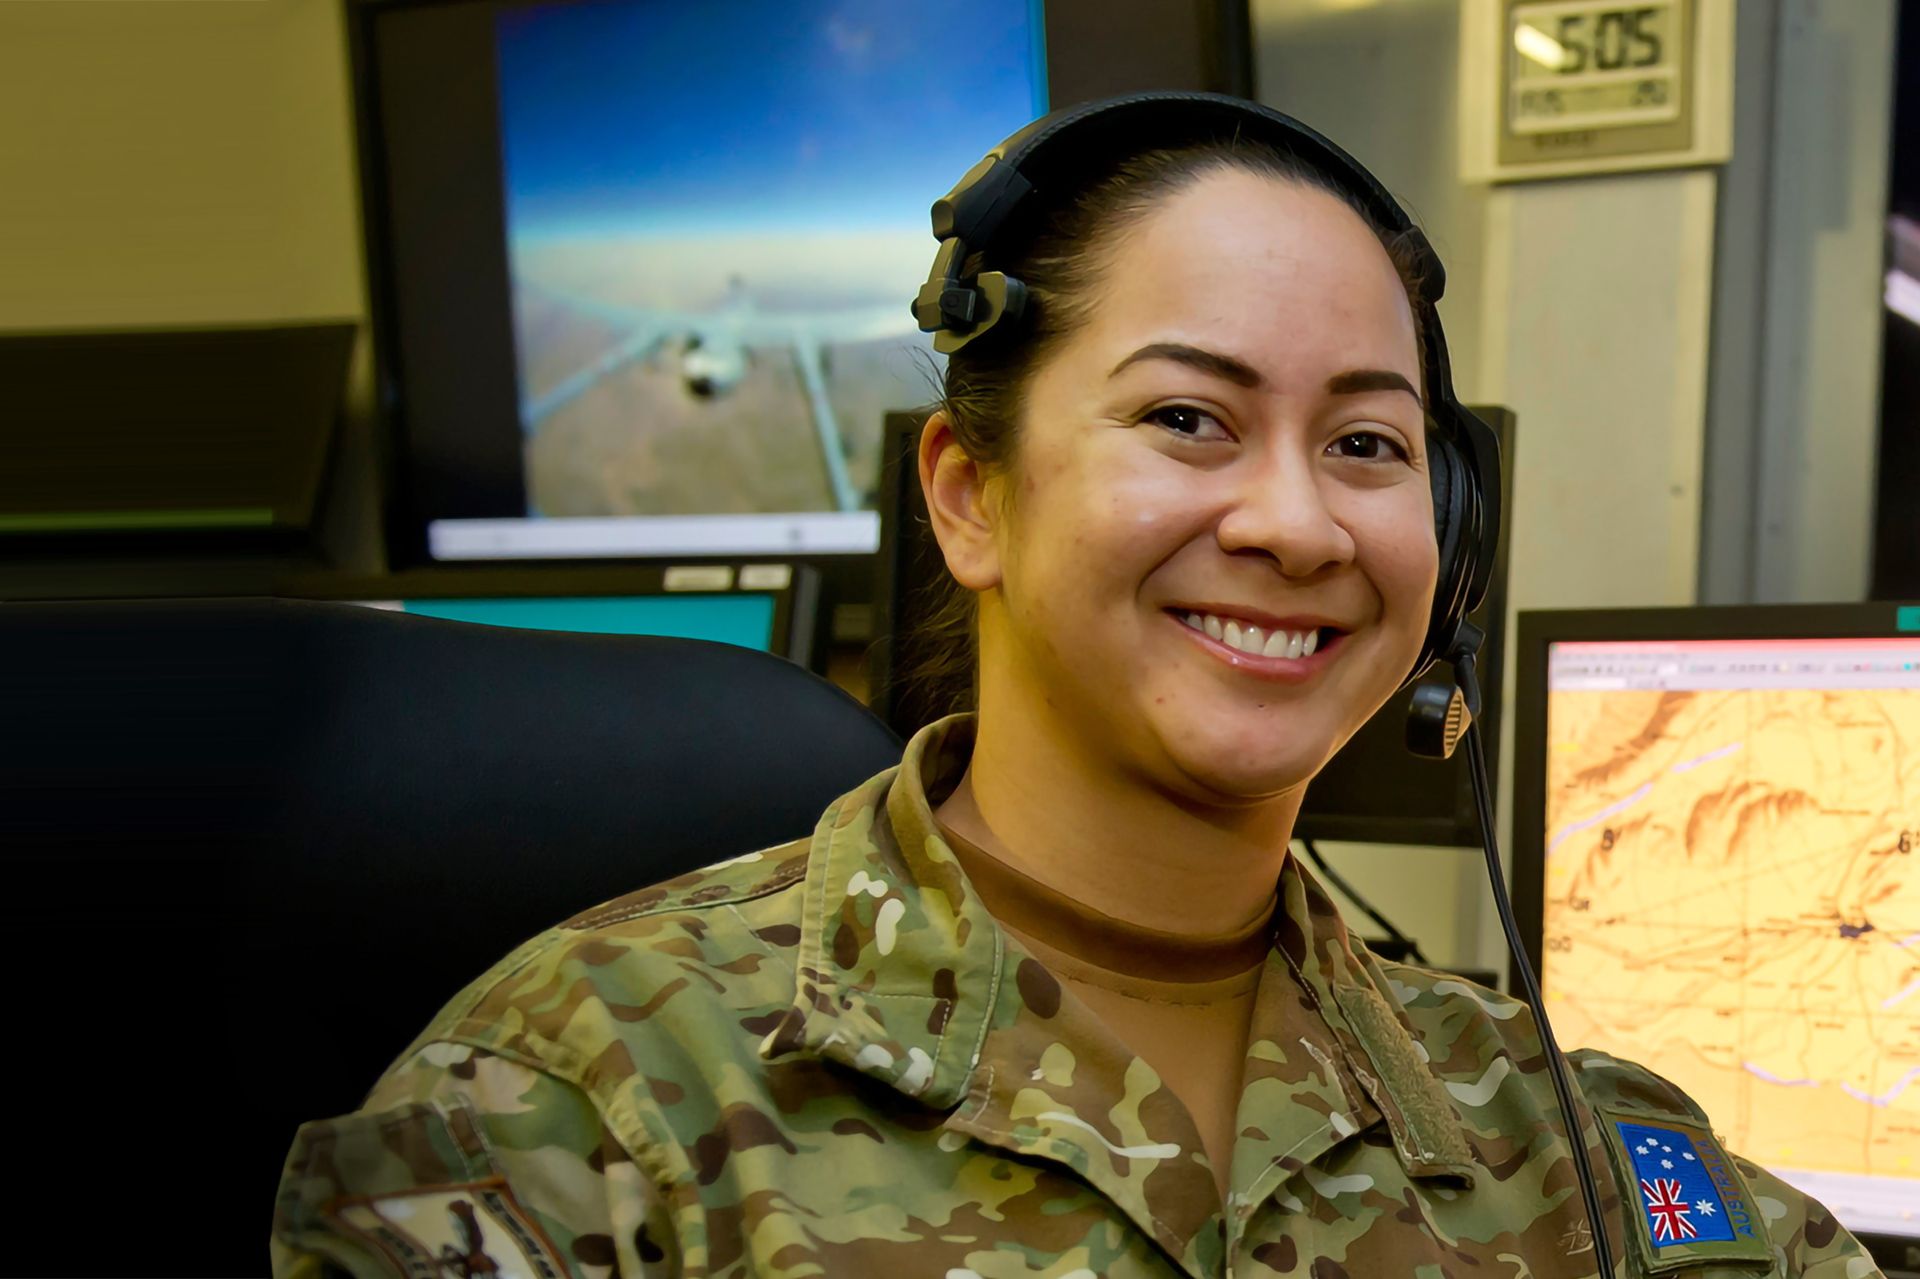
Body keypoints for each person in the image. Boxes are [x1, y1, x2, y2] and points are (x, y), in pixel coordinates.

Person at [271, 95, 1883, 1279]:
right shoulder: (573, 1111)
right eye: (1188, 418)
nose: (1294, 520)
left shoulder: (1567, 1141)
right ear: (970, 495)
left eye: (1369, 445)